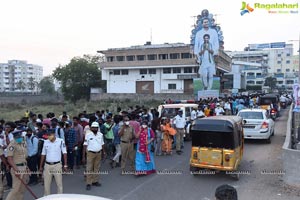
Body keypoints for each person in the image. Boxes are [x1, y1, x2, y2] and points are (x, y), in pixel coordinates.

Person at [39, 128, 68, 196]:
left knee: (59, 183)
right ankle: (47, 197)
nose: (49, 136)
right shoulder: (46, 142)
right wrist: (40, 166)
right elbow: (43, 154)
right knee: (46, 183)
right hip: (47, 165)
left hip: (57, 165)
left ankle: (59, 197)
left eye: (50, 135)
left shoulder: (61, 141)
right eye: (48, 135)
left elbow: (64, 153)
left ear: (54, 134)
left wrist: (65, 165)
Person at [194, 18, 219, 90]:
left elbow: (216, 44)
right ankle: (205, 86)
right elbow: (196, 46)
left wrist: (215, 53)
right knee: (204, 75)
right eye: (204, 22)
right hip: (203, 60)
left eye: (207, 22)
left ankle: (209, 88)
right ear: (202, 24)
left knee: (211, 75)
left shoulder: (214, 32)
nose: (206, 23)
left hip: (211, 59)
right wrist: (197, 56)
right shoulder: (198, 33)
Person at [5, 130, 29, 200]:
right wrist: (16, 170)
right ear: (15, 137)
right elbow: (9, 159)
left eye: (20, 136)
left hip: (24, 167)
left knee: (22, 189)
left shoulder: (22, 143)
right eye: (18, 137)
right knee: (15, 189)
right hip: (17, 167)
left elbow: (24, 157)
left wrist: (27, 167)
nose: (20, 138)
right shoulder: (12, 145)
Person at [82, 122, 105, 191]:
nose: (95, 128)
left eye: (96, 127)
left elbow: (102, 144)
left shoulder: (100, 135)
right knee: (89, 168)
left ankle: (95, 181)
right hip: (90, 153)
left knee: (97, 168)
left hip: (98, 153)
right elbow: (85, 145)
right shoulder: (88, 135)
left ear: (98, 128)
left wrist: (104, 152)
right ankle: (88, 183)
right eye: (93, 127)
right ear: (91, 128)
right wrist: (83, 156)